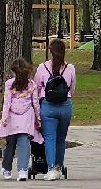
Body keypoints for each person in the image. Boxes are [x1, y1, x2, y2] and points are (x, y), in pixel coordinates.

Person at [31, 37, 76, 180]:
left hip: (48, 106)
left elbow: (37, 87)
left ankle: (50, 168)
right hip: (65, 106)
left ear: (50, 52)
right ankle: (59, 166)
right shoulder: (70, 68)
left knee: (49, 137)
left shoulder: (42, 67)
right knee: (61, 139)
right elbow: (72, 89)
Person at [0, 58, 43, 181]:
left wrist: (4, 118)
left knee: (10, 143)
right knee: (24, 143)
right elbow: (35, 103)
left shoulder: (9, 84)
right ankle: (22, 170)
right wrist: (38, 118)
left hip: (12, 118)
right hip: (26, 117)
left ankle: (7, 169)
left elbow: (7, 102)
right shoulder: (32, 85)